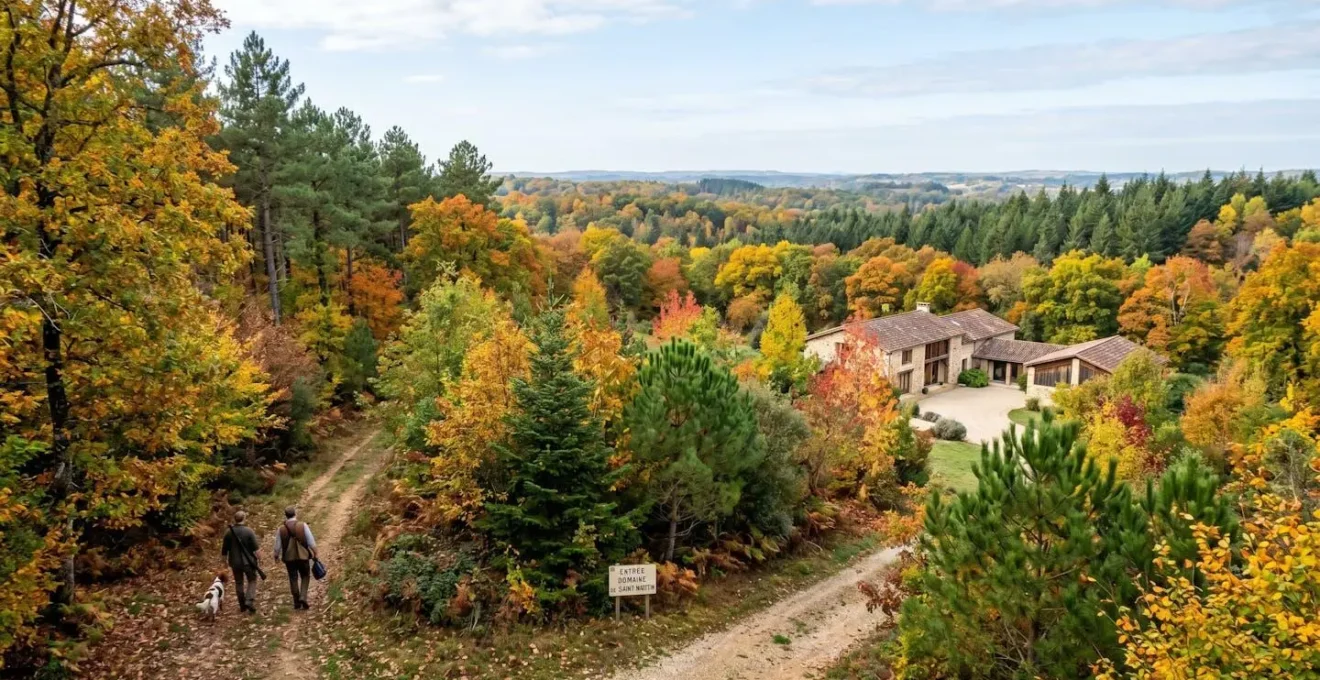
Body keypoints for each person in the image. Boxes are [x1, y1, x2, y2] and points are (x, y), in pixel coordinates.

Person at [273, 506, 317, 610]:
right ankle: (303, 596)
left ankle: (296, 602)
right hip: (303, 556)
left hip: (289, 558)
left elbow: (277, 547)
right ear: (295, 514)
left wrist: (276, 557)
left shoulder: (281, 529)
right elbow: (311, 542)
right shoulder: (303, 525)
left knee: (293, 578)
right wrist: (316, 553)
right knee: (305, 576)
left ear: (286, 515)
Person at [220, 510, 262, 613]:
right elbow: (256, 549)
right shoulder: (249, 531)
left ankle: (242, 605)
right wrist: (260, 558)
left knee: (239, 583)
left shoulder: (228, 533)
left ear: (235, 519)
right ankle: (249, 600)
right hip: (248, 562)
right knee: (252, 580)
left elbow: (224, 551)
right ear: (244, 518)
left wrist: (225, 563)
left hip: (235, 563)